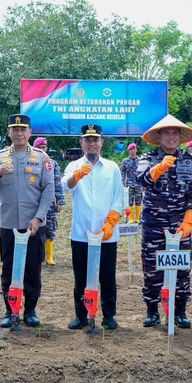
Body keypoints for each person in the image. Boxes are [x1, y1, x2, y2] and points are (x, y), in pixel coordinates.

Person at [0, 114, 55, 328]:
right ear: (9, 132)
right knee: (9, 266)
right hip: (8, 224)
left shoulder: (42, 158)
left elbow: (48, 190)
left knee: (33, 267)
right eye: (15, 129)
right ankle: (10, 309)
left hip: (34, 224)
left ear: (30, 133)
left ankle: (30, 309)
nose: (19, 133)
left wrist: (38, 217)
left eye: (23, 130)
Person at [135, 114, 192, 328]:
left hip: (180, 225)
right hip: (154, 224)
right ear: (159, 136)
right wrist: (159, 168)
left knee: (182, 268)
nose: (171, 136)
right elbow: (141, 180)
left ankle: (180, 311)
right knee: (152, 268)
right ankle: (152, 310)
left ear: (180, 137)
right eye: (167, 132)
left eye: (175, 133)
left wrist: (190, 219)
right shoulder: (148, 157)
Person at [63, 124, 123, 330]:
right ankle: (81, 315)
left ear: (101, 142)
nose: (92, 144)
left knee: (107, 276)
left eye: (95, 140)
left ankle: (108, 315)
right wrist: (76, 176)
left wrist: (111, 222)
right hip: (81, 233)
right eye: (88, 140)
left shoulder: (112, 167)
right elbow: (63, 186)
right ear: (81, 143)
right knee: (81, 277)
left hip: (106, 233)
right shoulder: (73, 165)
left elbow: (118, 196)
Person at [33, 136, 64, 266]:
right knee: (34, 229)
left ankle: (49, 256)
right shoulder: (31, 162)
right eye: (39, 148)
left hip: (49, 203)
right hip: (33, 202)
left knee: (50, 228)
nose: (42, 150)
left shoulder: (52, 163)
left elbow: (57, 182)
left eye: (44, 147)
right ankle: (37, 256)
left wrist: (60, 200)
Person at [120, 142, 143, 222]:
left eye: (134, 149)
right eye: (131, 150)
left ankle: (137, 218)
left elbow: (143, 172)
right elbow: (122, 173)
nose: (133, 151)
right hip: (129, 185)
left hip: (138, 184)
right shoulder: (125, 161)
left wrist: (144, 183)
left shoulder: (141, 160)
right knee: (129, 202)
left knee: (138, 201)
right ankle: (130, 219)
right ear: (129, 151)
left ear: (136, 150)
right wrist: (123, 183)